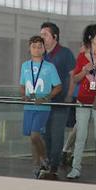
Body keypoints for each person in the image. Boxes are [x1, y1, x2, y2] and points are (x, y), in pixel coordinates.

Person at [67, 24, 96, 182]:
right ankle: (75, 167)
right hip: (83, 100)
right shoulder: (81, 57)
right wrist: (85, 70)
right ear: (91, 37)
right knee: (81, 136)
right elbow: (75, 79)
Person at [21, 35, 63, 178]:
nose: (37, 49)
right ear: (29, 48)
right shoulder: (25, 65)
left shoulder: (49, 67)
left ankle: (44, 159)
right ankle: (37, 166)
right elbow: (22, 85)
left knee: (35, 135)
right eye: (34, 46)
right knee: (32, 138)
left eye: (40, 46)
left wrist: (46, 98)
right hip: (29, 107)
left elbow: (58, 86)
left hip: (42, 107)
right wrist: (24, 96)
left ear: (44, 49)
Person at [39, 22, 76, 178]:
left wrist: (69, 95)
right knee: (45, 134)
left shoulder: (65, 53)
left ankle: (54, 165)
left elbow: (73, 75)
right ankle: (46, 163)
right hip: (44, 102)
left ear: (55, 37)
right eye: (41, 35)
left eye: (45, 35)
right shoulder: (40, 54)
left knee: (57, 134)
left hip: (60, 102)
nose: (42, 38)